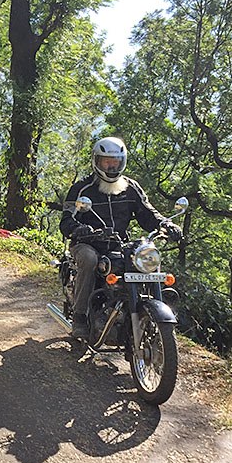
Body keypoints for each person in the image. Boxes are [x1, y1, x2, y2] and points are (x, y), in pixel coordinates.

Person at [59, 136, 183, 339]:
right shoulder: (83, 188)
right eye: (106, 161)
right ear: (97, 161)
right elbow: (66, 221)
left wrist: (166, 225)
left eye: (115, 161)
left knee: (148, 258)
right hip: (88, 243)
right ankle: (80, 317)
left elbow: (147, 213)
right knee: (90, 260)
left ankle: (149, 311)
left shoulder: (130, 187)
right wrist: (80, 229)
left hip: (119, 243)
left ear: (122, 162)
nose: (111, 166)